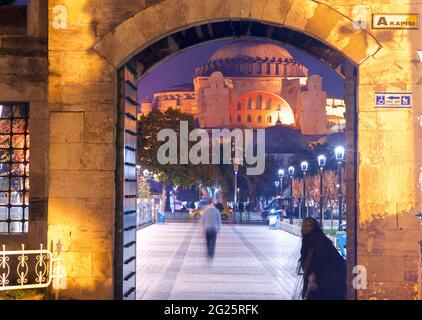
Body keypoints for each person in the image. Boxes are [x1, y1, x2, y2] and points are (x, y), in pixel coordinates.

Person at [299, 217, 346, 300]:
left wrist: (312, 275)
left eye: (306, 226)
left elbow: (314, 259)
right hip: (333, 278)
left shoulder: (310, 239)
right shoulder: (321, 237)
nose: (303, 228)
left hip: (322, 279)